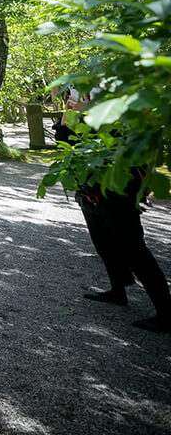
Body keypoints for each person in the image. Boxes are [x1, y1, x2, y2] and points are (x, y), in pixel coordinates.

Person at [55, 94, 171, 332]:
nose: (78, 99)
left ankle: (166, 312)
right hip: (89, 187)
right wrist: (67, 119)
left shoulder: (120, 116)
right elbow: (64, 142)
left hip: (118, 188)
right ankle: (118, 291)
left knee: (133, 248)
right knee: (103, 242)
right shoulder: (80, 115)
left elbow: (116, 145)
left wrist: (89, 112)